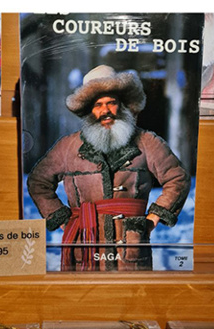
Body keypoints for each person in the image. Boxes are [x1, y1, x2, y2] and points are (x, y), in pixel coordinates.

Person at [26, 65, 190, 271]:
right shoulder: (67, 147)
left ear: (123, 105)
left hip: (130, 249)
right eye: (98, 105)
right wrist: (62, 220)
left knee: (132, 299)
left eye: (112, 103)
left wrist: (152, 219)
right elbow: (38, 182)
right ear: (88, 110)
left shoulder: (147, 141)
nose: (105, 111)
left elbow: (178, 179)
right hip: (83, 244)